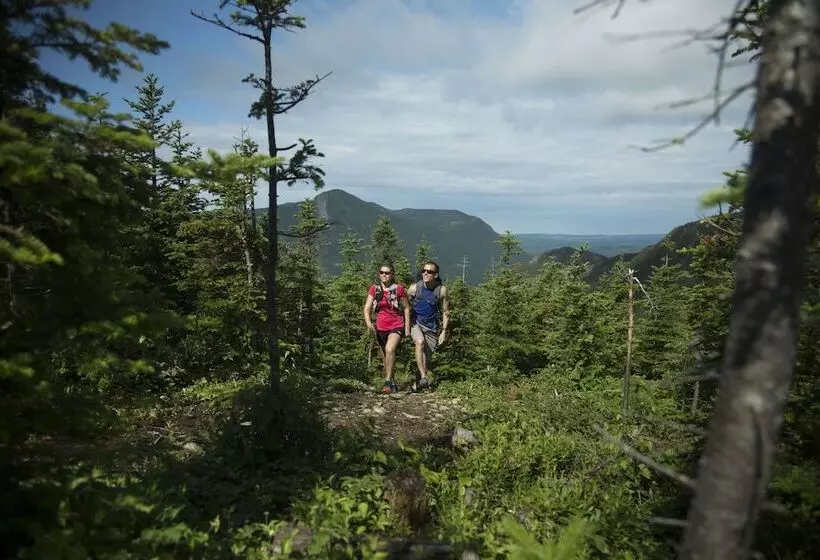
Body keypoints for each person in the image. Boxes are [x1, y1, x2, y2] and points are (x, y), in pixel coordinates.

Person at [363, 263, 411, 394]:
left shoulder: (399, 289)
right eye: (381, 272)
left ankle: (388, 381)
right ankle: (392, 383)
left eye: (387, 273)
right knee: (386, 356)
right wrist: (369, 323)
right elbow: (367, 308)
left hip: (396, 325)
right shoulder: (374, 289)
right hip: (380, 327)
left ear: (392, 275)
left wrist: (407, 328)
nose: (384, 275)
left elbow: (406, 308)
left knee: (390, 349)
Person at [408, 260, 449, 391]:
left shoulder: (441, 290)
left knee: (427, 358)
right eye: (424, 271)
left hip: (431, 327)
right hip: (416, 323)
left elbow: (446, 311)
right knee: (419, 342)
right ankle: (424, 377)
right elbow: (404, 305)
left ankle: (419, 383)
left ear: (436, 275)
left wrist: (443, 331)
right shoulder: (414, 288)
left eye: (429, 271)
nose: (425, 273)